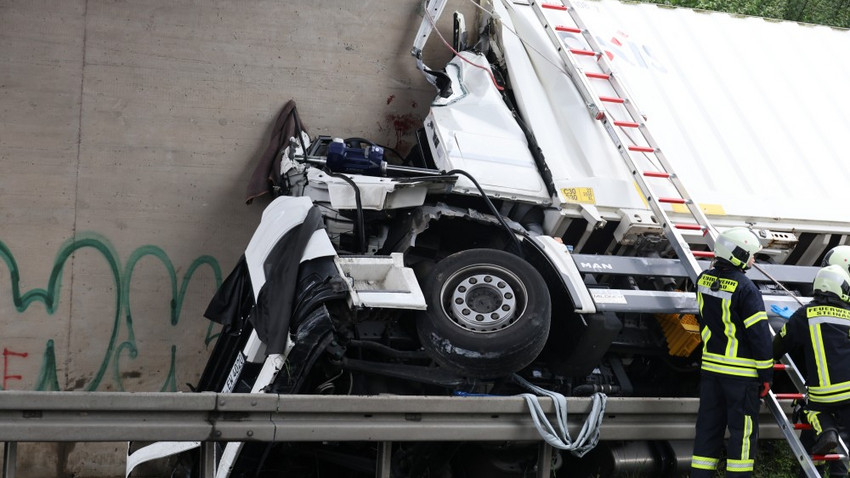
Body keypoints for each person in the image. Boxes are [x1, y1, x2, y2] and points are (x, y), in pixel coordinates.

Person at [690, 227, 774, 477]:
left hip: (711, 371)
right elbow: (759, 335)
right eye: (750, 255)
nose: (754, 260)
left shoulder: (703, 280)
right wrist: (767, 374)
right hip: (742, 376)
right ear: (737, 254)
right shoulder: (747, 289)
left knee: (707, 429)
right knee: (743, 433)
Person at [773, 264, 850, 478]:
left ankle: (826, 431)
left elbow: (779, 345)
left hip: (822, 395)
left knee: (811, 410)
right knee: (847, 449)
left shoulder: (804, 314)